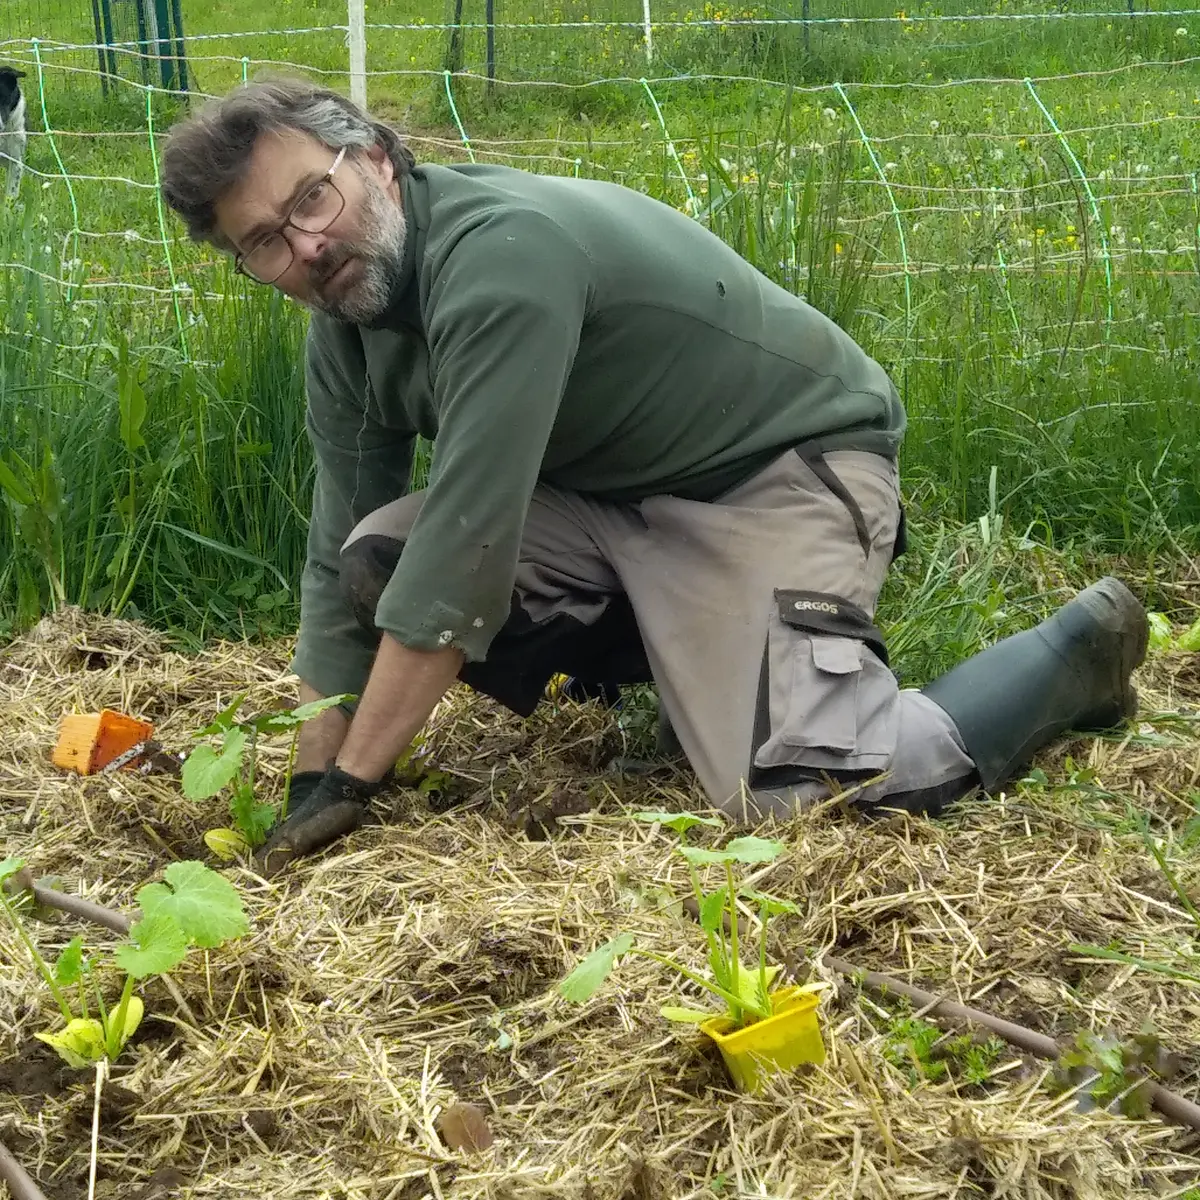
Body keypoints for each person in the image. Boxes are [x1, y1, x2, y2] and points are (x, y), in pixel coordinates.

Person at [159, 77, 1149, 876]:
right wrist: (306, 776)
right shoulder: (345, 332)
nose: (307, 246)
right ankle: (700, 670)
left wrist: (355, 784)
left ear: (374, 156)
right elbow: (341, 565)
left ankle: (1073, 660)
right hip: (613, 500)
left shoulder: (499, 259)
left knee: (799, 793)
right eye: (264, 243)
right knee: (381, 555)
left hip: (780, 474)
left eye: (311, 199)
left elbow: (469, 544)